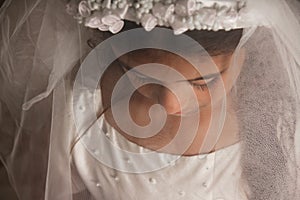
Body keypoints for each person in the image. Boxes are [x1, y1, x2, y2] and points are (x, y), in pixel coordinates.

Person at [0, 0, 300, 200]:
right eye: (143, 76)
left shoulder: (276, 119)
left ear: (243, 55)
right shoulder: (79, 114)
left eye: (202, 81)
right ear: (109, 47)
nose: (170, 104)